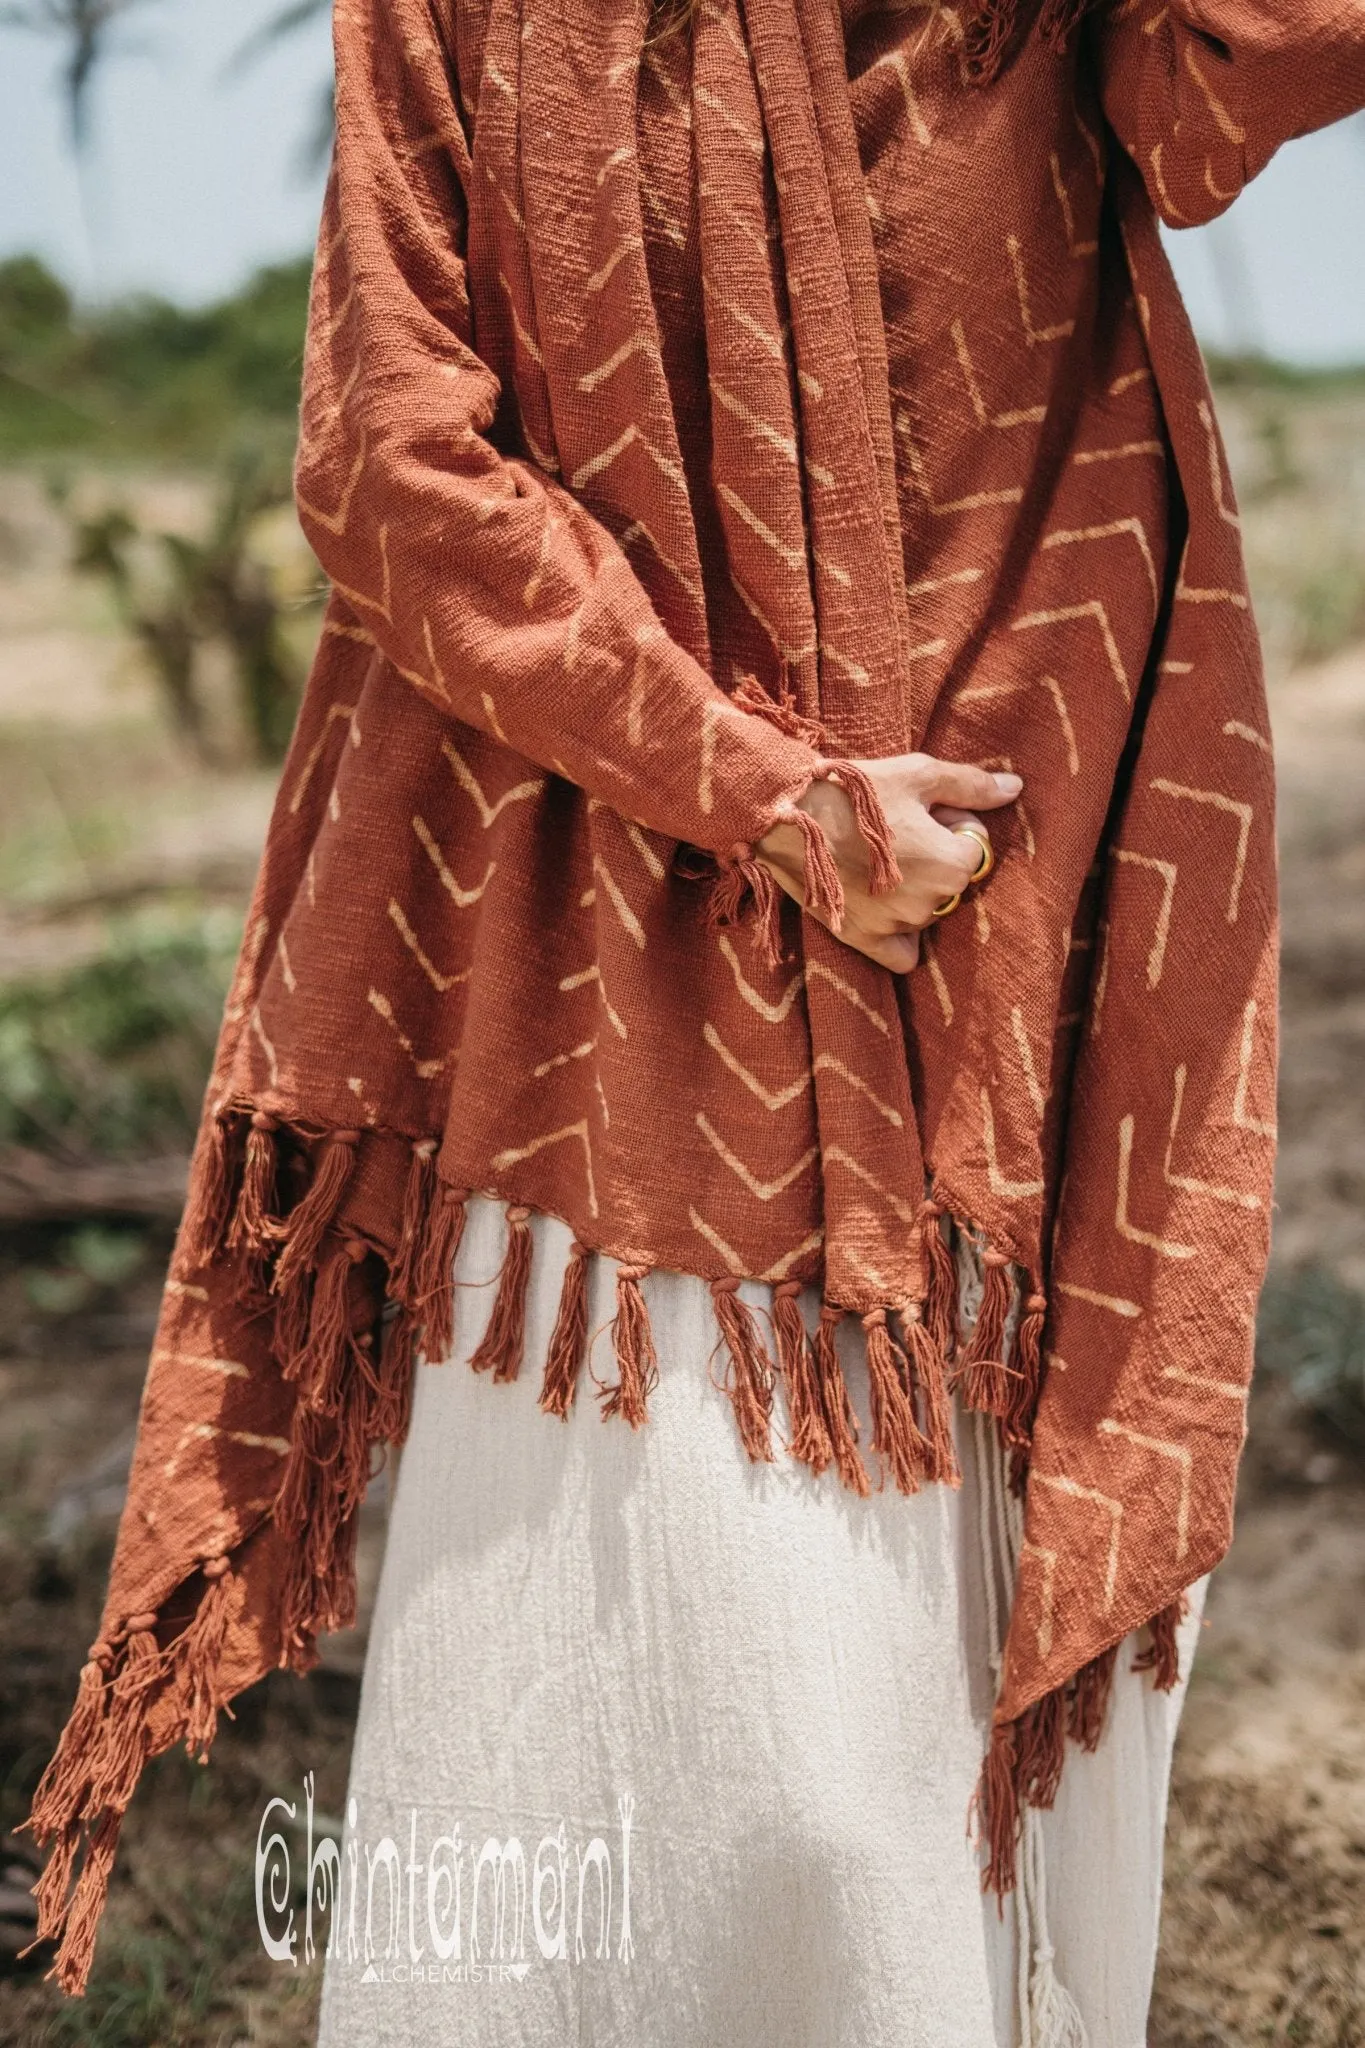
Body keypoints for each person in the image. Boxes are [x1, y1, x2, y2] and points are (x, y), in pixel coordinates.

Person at [25, 0, 1365, 2042]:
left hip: (1020, 968)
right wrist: (761, 797)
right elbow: (388, 460)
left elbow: (1241, 86)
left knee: (946, 1775)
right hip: (609, 1003)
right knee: (736, 1762)